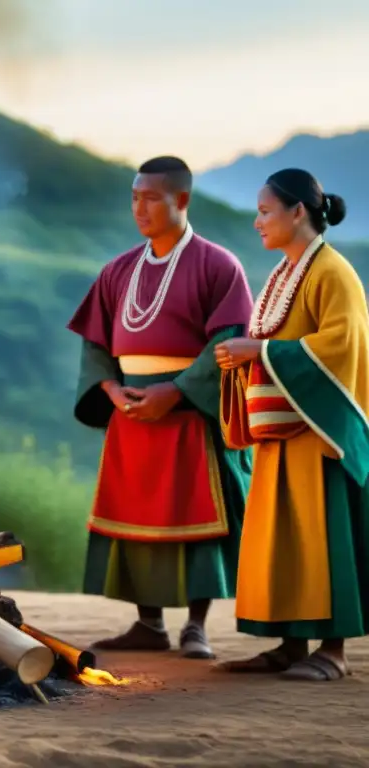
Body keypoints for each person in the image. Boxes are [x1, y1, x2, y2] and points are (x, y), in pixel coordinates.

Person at [66, 156, 254, 659]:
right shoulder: (118, 270)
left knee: (195, 519)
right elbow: (96, 346)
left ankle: (196, 626)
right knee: (134, 517)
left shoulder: (219, 265)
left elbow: (229, 340)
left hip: (188, 412)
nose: (140, 207)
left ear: (182, 200)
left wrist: (175, 392)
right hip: (130, 412)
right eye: (134, 196)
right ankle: (148, 624)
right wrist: (110, 392)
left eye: (151, 197)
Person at [216, 169, 369, 681]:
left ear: (297, 211)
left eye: (265, 211)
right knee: (285, 538)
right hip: (282, 434)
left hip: (319, 431)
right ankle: (290, 644)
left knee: (323, 535)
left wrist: (257, 349)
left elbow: (342, 345)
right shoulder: (285, 273)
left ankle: (334, 651)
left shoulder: (333, 272)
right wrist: (240, 361)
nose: (257, 221)